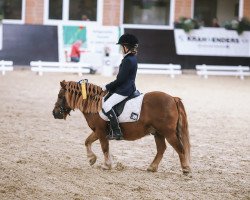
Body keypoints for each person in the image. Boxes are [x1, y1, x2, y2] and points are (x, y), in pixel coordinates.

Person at [102, 33, 139, 140]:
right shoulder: (132, 58)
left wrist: (107, 87)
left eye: (121, 46)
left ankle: (117, 131)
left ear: (126, 46)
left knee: (106, 105)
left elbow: (120, 80)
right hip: (128, 87)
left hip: (124, 89)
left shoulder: (127, 60)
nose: (120, 49)